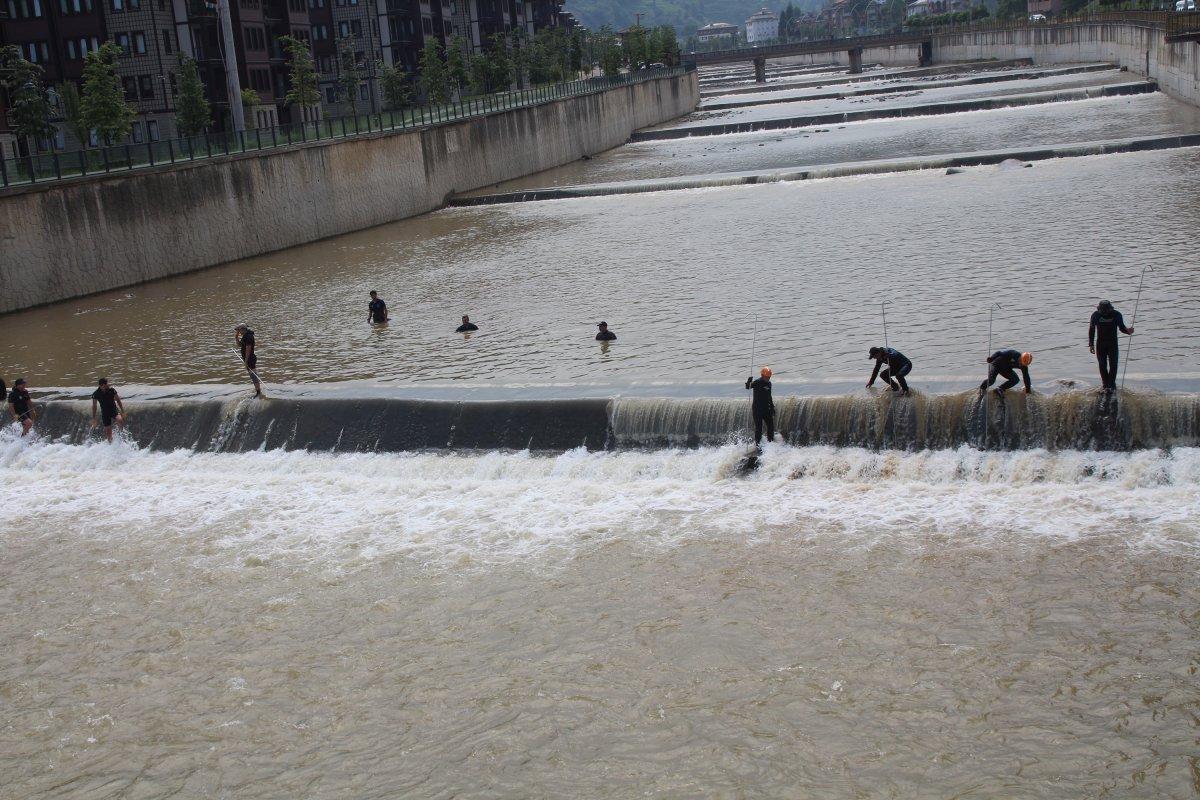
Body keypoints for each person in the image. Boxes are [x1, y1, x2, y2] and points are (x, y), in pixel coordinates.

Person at [1088, 300, 1134, 391]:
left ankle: (1111, 384)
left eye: (1106, 311)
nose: (1105, 313)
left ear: (1110, 309)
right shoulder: (1095, 315)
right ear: (1099, 310)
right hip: (1100, 344)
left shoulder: (1116, 315)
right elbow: (1092, 329)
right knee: (1102, 365)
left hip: (1112, 344)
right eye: (1103, 311)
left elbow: (1121, 327)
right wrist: (1091, 344)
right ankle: (1105, 384)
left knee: (1113, 365)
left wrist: (1128, 331)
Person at [745, 367, 777, 446]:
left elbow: (769, 396)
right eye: (766, 377)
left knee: (771, 426)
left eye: (769, 377)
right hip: (757, 410)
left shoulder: (769, 384)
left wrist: (772, 408)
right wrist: (749, 381)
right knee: (759, 428)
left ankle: (770, 442)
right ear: (762, 375)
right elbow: (748, 387)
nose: (768, 378)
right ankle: (758, 444)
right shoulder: (757, 382)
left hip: (766, 409)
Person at [91, 377, 126, 442]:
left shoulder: (112, 390)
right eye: (104, 386)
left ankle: (121, 436)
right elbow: (94, 406)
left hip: (114, 410)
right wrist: (93, 417)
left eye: (106, 385)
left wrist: (122, 410)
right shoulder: (96, 394)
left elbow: (118, 400)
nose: (106, 387)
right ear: (100, 386)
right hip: (105, 413)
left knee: (120, 420)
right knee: (108, 432)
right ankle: (110, 444)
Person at [234, 324, 263, 397]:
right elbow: (239, 345)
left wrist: (246, 361)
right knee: (252, 374)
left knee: (253, 375)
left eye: (239, 330)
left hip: (250, 359)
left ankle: (258, 392)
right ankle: (257, 389)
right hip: (247, 359)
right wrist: (236, 337)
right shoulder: (245, 336)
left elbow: (248, 350)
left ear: (243, 329)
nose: (239, 332)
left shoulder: (249, 336)